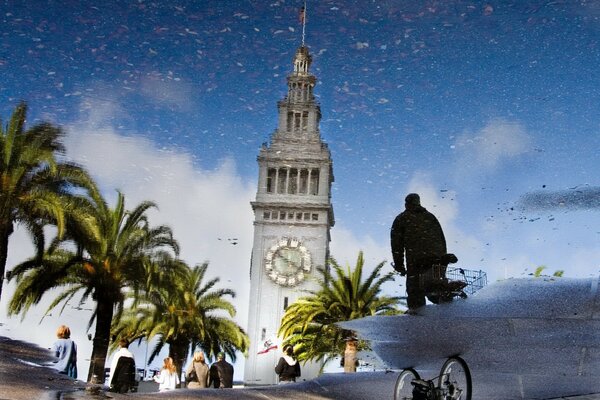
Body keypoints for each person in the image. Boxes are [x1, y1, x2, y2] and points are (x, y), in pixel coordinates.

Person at [390, 193, 450, 312]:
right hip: (436, 262)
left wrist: (399, 266)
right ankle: (450, 320)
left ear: (407, 204)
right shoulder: (431, 217)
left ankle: (417, 326)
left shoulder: (402, 218)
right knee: (438, 291)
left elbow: (397, 245)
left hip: (416, 263)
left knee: (415, 297)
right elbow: (441, 240)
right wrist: (442, 262)